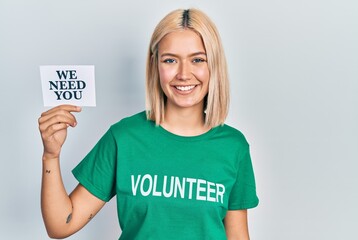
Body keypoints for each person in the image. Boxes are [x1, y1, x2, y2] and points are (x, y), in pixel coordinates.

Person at [38, 8, 259, 239]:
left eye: (197, 59)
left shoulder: (233, 146)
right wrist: (50, 155)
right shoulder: (124, 138)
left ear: (214, 64)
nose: (184, 74)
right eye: (170, 60)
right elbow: (61, 225)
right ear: (156, 65)